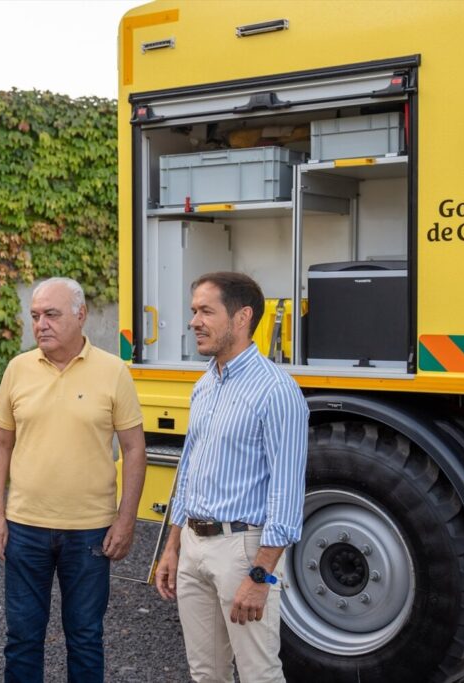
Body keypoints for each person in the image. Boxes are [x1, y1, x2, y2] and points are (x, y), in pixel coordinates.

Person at [0, 277, 147, 682]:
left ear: (81, 315)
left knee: (86, 637)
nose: (41, 324)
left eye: (51, 315)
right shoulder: (18, 369)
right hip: (25, 527)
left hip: (90, 532)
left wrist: (126, 520)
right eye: (36, 316)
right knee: (22, 638)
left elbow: (133, 449)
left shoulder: (113, 371)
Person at [154, 272, 308, 683]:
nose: (193, 322)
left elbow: (287, 493)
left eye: (206, 311)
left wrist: (261, 575)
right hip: (193, 545)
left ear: (242, 318)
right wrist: (172, 547)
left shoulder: (276, 391)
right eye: (193, 312)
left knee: (259, 674)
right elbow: (187, 471)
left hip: (241, 550)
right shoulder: (205, 384)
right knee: (205, 673)